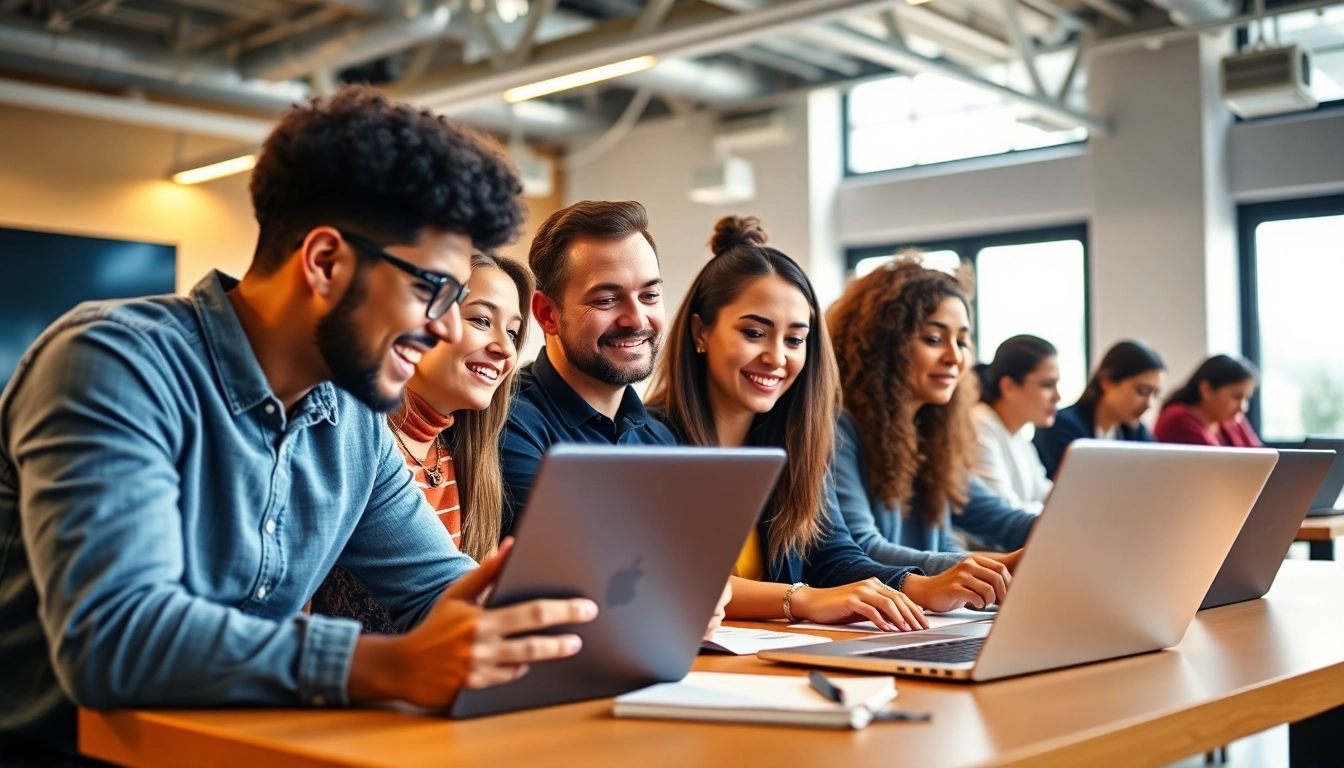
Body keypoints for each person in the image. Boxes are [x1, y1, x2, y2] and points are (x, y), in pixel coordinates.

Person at [0, 87, 596, 761]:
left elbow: (437, 592)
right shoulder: (113, 364)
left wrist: (576, 621)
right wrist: (386, 666)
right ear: (324, 262)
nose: (446, 328)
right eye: (432, 289)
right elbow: (115, 638)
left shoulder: (351, 419)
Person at [646, 217, 994, 627]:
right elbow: (672, 576)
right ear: (700, 332)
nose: (777, 357)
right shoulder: (648, 440)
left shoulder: (794, 442)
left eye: (795, 339)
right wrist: (804, 599)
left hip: (769, 664)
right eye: (755, 333)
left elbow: (834, 558)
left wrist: (921, 587)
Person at [500, 199, 729, 638]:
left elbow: (690, 568)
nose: (637, 318)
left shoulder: (660, 438)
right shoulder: (510, 425)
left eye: (650, 295)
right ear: (547, 314)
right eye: (607, 298)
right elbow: (569, 580)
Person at [311, 253, 533, 632]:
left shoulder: (463, 455)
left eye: (512, 333)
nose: (505, 349)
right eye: (481, 320)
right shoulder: (354, 442)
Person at [826, 256, 1035, 590]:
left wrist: (1070, 527)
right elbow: (859, 550)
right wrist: (970, 567)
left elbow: (999, 520)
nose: (955, 357)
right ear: (884, 345)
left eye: (962, 341)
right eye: (934, 339)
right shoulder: (837, 428)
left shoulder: (930, 431)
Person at [1033, 340, 1165, 479]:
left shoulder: (1137, 433)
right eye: (1142, 391)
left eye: (1155, 394)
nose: (1149, 404)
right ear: (1106, 381)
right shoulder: (1060, 426)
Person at [973, 335, 1060, 514]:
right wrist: (1056, 513)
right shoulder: (978, 426)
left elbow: (1047, 494)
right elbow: (1004, 513)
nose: (1057, 397)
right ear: (1009, 387)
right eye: (1047, 385)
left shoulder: (1018, 435)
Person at [1154, 355, 1262, 447]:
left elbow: (1263, 460)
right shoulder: (1178, 419)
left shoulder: (1231, 420)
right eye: (1236, 397)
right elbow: (1216, 468)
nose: (1243, 407)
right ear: (1206, 390)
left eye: (1246, 399)